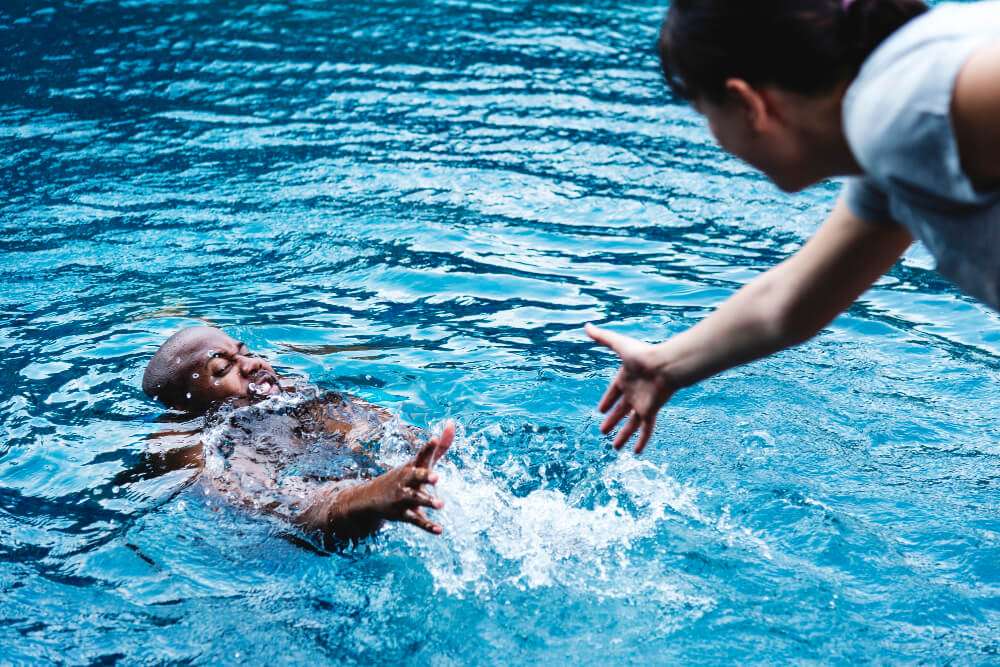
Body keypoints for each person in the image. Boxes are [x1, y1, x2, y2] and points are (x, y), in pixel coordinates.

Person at [588, 0, 1000, 453]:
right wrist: (664, 366)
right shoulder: (892, 150)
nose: (715, 137)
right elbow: (786, 303)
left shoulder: (900, 111)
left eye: (707, 116)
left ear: (747, 103)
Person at [140, 326, 454, 546]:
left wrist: (413, 448)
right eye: (223, 369)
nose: (253, 364)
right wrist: (368, 498)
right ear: (185, 404)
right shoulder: (183, 440)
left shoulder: (290, 395)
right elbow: (279, 509)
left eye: (245, 353)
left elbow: (378, 430)